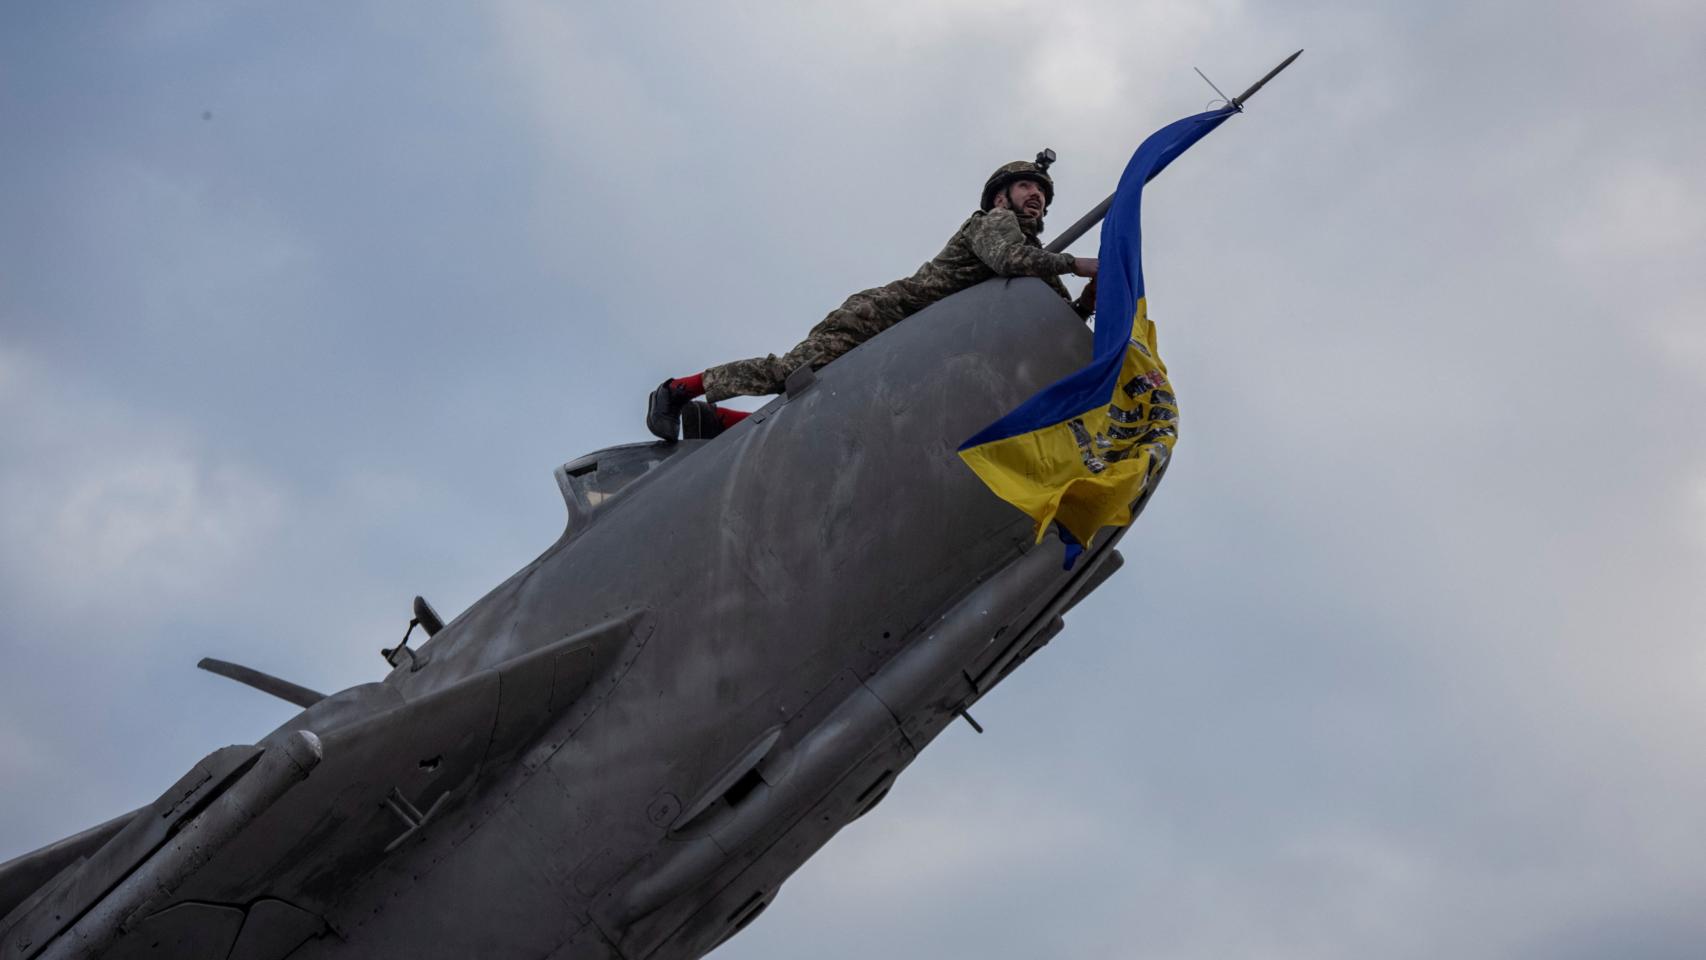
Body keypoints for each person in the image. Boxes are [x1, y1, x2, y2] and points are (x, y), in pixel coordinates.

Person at [647, 150, 1099, 441]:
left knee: (837, 415)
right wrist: (1077, 265)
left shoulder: (1035, 256)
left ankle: (719, 425)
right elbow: (1006, 260)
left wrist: (1096, 293)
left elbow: (1062, 314)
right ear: (1001, 197)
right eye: (1026, 186)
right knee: (793, 371)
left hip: (916, 340)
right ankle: (677, 391)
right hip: (882, 317)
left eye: (1041, 191)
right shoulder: (993, 224)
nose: (1036, 195)